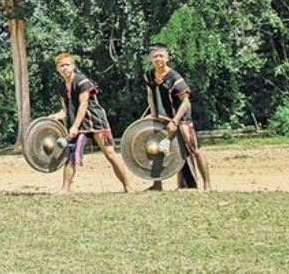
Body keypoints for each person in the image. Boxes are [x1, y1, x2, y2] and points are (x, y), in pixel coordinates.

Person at [48, 52, 131, 195]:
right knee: (71, 154)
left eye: (67, 65)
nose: (65, 68)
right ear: (57, 69)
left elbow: (83, 105)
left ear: (73, 66)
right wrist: (56, 116)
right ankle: (66, 189)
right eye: (61, 66)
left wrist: (74, 126)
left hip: (95, 120)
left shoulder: (82, 81)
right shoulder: (62, 87)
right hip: (78, 123)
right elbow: (65, 110)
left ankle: (128, 187)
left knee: (110, 154)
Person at [144, 43, 212, 191]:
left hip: (180, 118)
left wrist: (176, 121)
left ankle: (207, 185)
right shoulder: (149, 75)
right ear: (151, 59)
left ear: (167, 58)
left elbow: (185, 102)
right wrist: (154, 114)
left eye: (161, 56)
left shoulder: (175, 77)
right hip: (162, 117)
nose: (158, 59)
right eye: (155, 56)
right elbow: (150, 96)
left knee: (192, 148)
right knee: (157, 148)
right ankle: (157, 184)